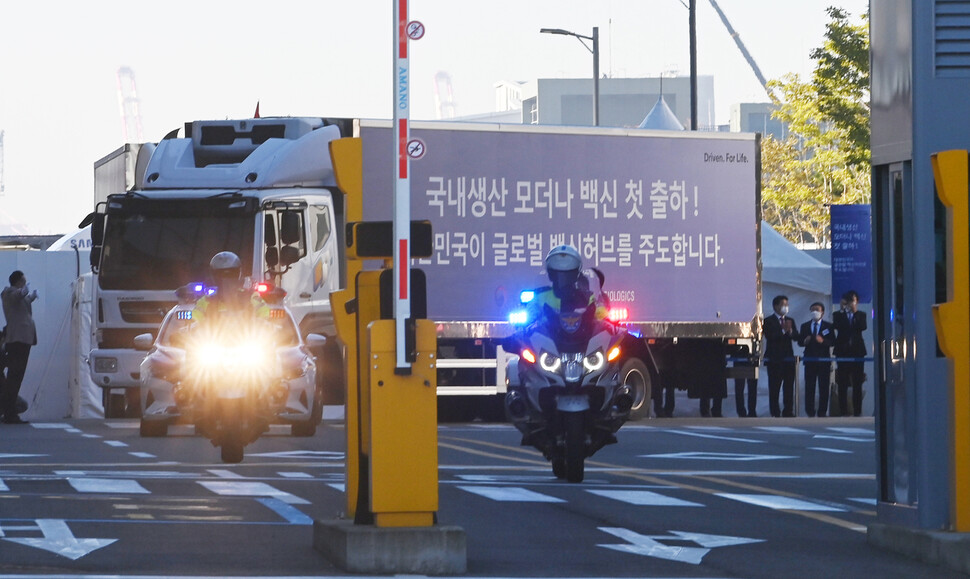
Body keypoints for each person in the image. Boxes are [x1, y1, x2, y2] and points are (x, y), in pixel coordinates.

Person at [527, 245, 608, 327]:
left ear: (576, 275)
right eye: (558, 274)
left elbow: (600, 312)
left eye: (569, 274)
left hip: (583, 337)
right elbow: (531, 314)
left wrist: (601, 314)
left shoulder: (586, 296)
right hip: (548, 336)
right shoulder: (540, 296)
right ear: (551, 275)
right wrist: (532, 317)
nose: (563, 278)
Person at [1, 270, 38, 424]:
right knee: (15, 376)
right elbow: (16, 297)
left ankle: (10, 411)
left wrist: (32, 297)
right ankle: (9, 412)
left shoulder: (18, 296)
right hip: (17, 339)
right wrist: (23, 292)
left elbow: (23, 303)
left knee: (17, 376)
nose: (24, 283)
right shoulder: (8, 293)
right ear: (18, 281)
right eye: (23, 281)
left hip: (23, 340)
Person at [192, 252, 270, 324]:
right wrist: (188, 329)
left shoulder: (251, 297)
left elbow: (266, 317)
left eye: (231, 275)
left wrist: (265, 325)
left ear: (239, 275)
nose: (226, 280)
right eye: (221, 275)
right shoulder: (206, 300)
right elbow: (194, 321)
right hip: (214, 337)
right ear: (214, 277)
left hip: (246, 337)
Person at [763, 295, 798, 417]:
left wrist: (790, 331)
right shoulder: (768, 321)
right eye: (783, 305)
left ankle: (788, 410)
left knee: (788, 387)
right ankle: (775, 411)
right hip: (774, 359)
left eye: (787, 305)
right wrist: (783, 330)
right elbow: (770, 336)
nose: (785, 307)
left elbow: (796, 337)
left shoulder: (790, 320)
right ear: (775, 306)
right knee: (774, 388)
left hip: (788, 359)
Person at [833, 290, 867, 417]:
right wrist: (843, 310)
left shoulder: (861, 315)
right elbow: (837, 326)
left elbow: (862, 327)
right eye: (849, 300)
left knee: (857, 383)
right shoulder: (838, 315)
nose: (851, 303)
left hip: (858, 352)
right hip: (842, 351)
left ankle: (857, 411)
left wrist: (854, 312)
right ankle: (843, 411)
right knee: (842, 383)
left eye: (853, 300)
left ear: (857, 301)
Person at [799, 302, 835, 417]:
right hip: (810, 360)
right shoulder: (805, 326)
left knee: (824, 387)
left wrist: (823, 341)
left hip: (824, 360)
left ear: (822, 312)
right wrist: (805, 341)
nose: (815, 312)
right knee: (810, 387)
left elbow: (833, 341)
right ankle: (810, 411)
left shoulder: (828, 326)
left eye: (817, 310)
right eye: (812, 310)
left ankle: (822, 411)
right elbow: (800, 342)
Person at [732, 352, 759, 418]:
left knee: (744, 386)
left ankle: (748, 411)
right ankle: (747, 411)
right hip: (742, 355)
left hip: (746, 355)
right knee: (742, 386)